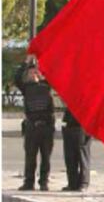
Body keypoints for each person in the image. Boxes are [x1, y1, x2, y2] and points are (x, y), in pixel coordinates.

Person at [14, 56, 55, 191]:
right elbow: (17, 78)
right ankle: (29, 182)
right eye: (31, 72)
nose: (34, 73)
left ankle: (44, 182)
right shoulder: (26, 88)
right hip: (32, 127)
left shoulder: (46, 86)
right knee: (30, 156)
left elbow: (52, 72)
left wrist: (42, 62)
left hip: (46, 127)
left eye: (36, 71)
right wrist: (26, 62)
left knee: (46, 157)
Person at [61, 108, 91, 192]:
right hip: (69, 125)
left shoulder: (89, 99)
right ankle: (72, 183)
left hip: (82, 127)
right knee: (70, 157)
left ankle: (83, 183)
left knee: (82, 157)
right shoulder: (72, 98)